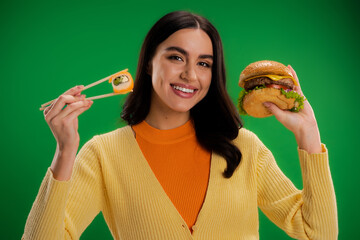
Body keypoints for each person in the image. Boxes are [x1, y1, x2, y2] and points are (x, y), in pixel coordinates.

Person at [23, 11, 338, 240]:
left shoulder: (243, 146)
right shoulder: (104, 155)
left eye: (203, 63)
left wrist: (308, 135)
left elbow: (317, 233)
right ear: (149, 63)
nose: (191, 75)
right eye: (176, 58)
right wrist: (65, 152)